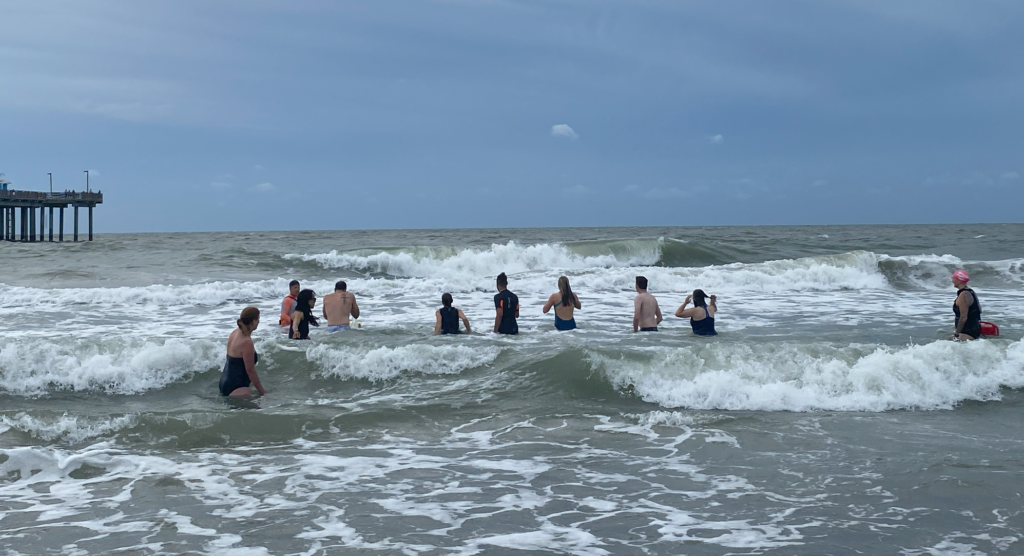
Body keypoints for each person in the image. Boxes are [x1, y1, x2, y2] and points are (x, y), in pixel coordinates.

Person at [219, 306, 267, 397]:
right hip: (237, 387)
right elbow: (250, 371)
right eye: (258, 319)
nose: (259, 322)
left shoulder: (235, 332)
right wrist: (262, 391)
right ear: (253, 321)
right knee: (258, 410)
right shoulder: (246, 342)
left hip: (224, 382)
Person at [951, 269, 982, 341]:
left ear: (959, 280)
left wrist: (957, 333)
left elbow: (963, 317)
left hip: (968, 332)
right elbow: (979, 310)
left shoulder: (964, 295)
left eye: (954, 278)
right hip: (974, 329)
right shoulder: (971, 292)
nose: (952, 281)